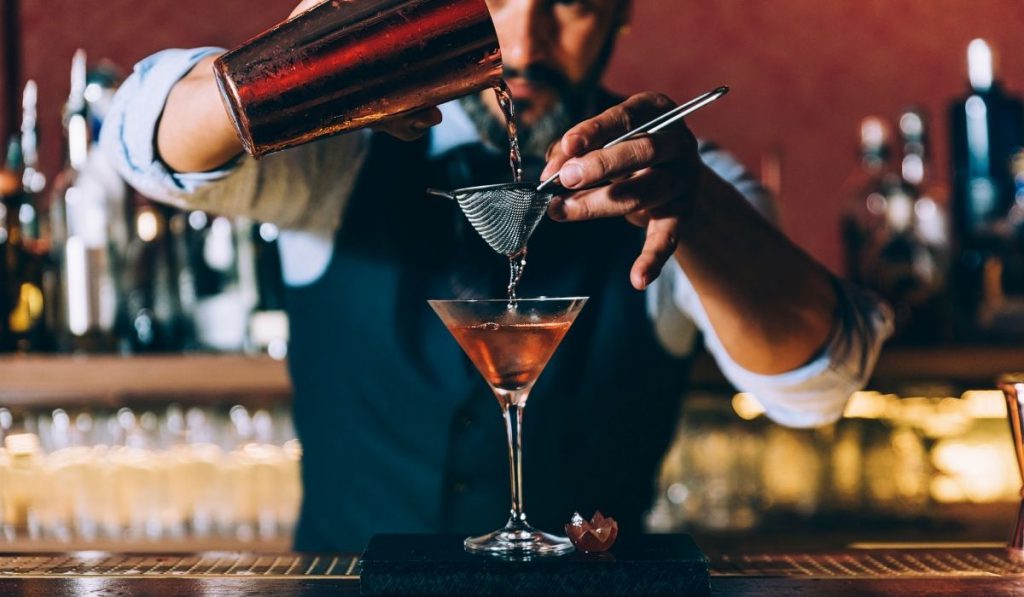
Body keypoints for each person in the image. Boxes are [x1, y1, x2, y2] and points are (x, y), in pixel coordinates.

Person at [101, 0, 892, 552]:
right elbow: (142, 145)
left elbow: (818, 385)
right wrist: (292, 76)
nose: (524, 39)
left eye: (573, 2)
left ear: (622, 9)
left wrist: (698, 207)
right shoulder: (331, 158)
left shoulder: (687, 178)